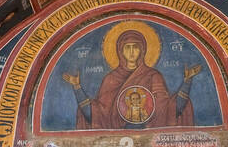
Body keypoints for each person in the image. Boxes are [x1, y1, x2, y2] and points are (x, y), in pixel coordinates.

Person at [64, 28, 200, 129]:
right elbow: (97, 114)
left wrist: (187, 82)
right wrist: (77, 87)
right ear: (120, 51)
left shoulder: (153, 76)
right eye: (127, 47)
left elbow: (167, 109)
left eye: (135, 47)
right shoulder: (110, 79)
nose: (131, 51)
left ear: (142, 50)